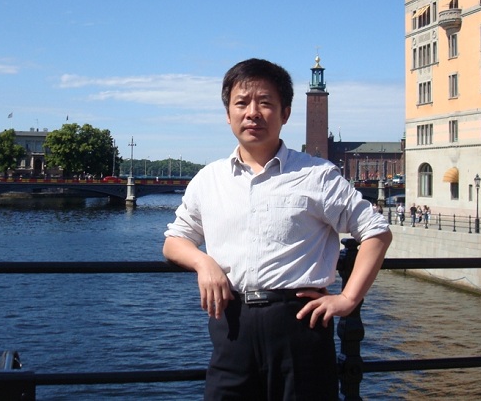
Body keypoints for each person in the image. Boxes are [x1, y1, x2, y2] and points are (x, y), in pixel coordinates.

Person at [163, 58, 393, 400]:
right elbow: (174, 241)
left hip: (300, 326)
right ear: (228, 114)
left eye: (265, 103)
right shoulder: (209, 179)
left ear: (285, 113)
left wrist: (348, 299)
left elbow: (376, 232)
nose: (252, 113)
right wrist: (203, 262)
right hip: (232, 325)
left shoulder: (317, 175)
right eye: (241, 103)